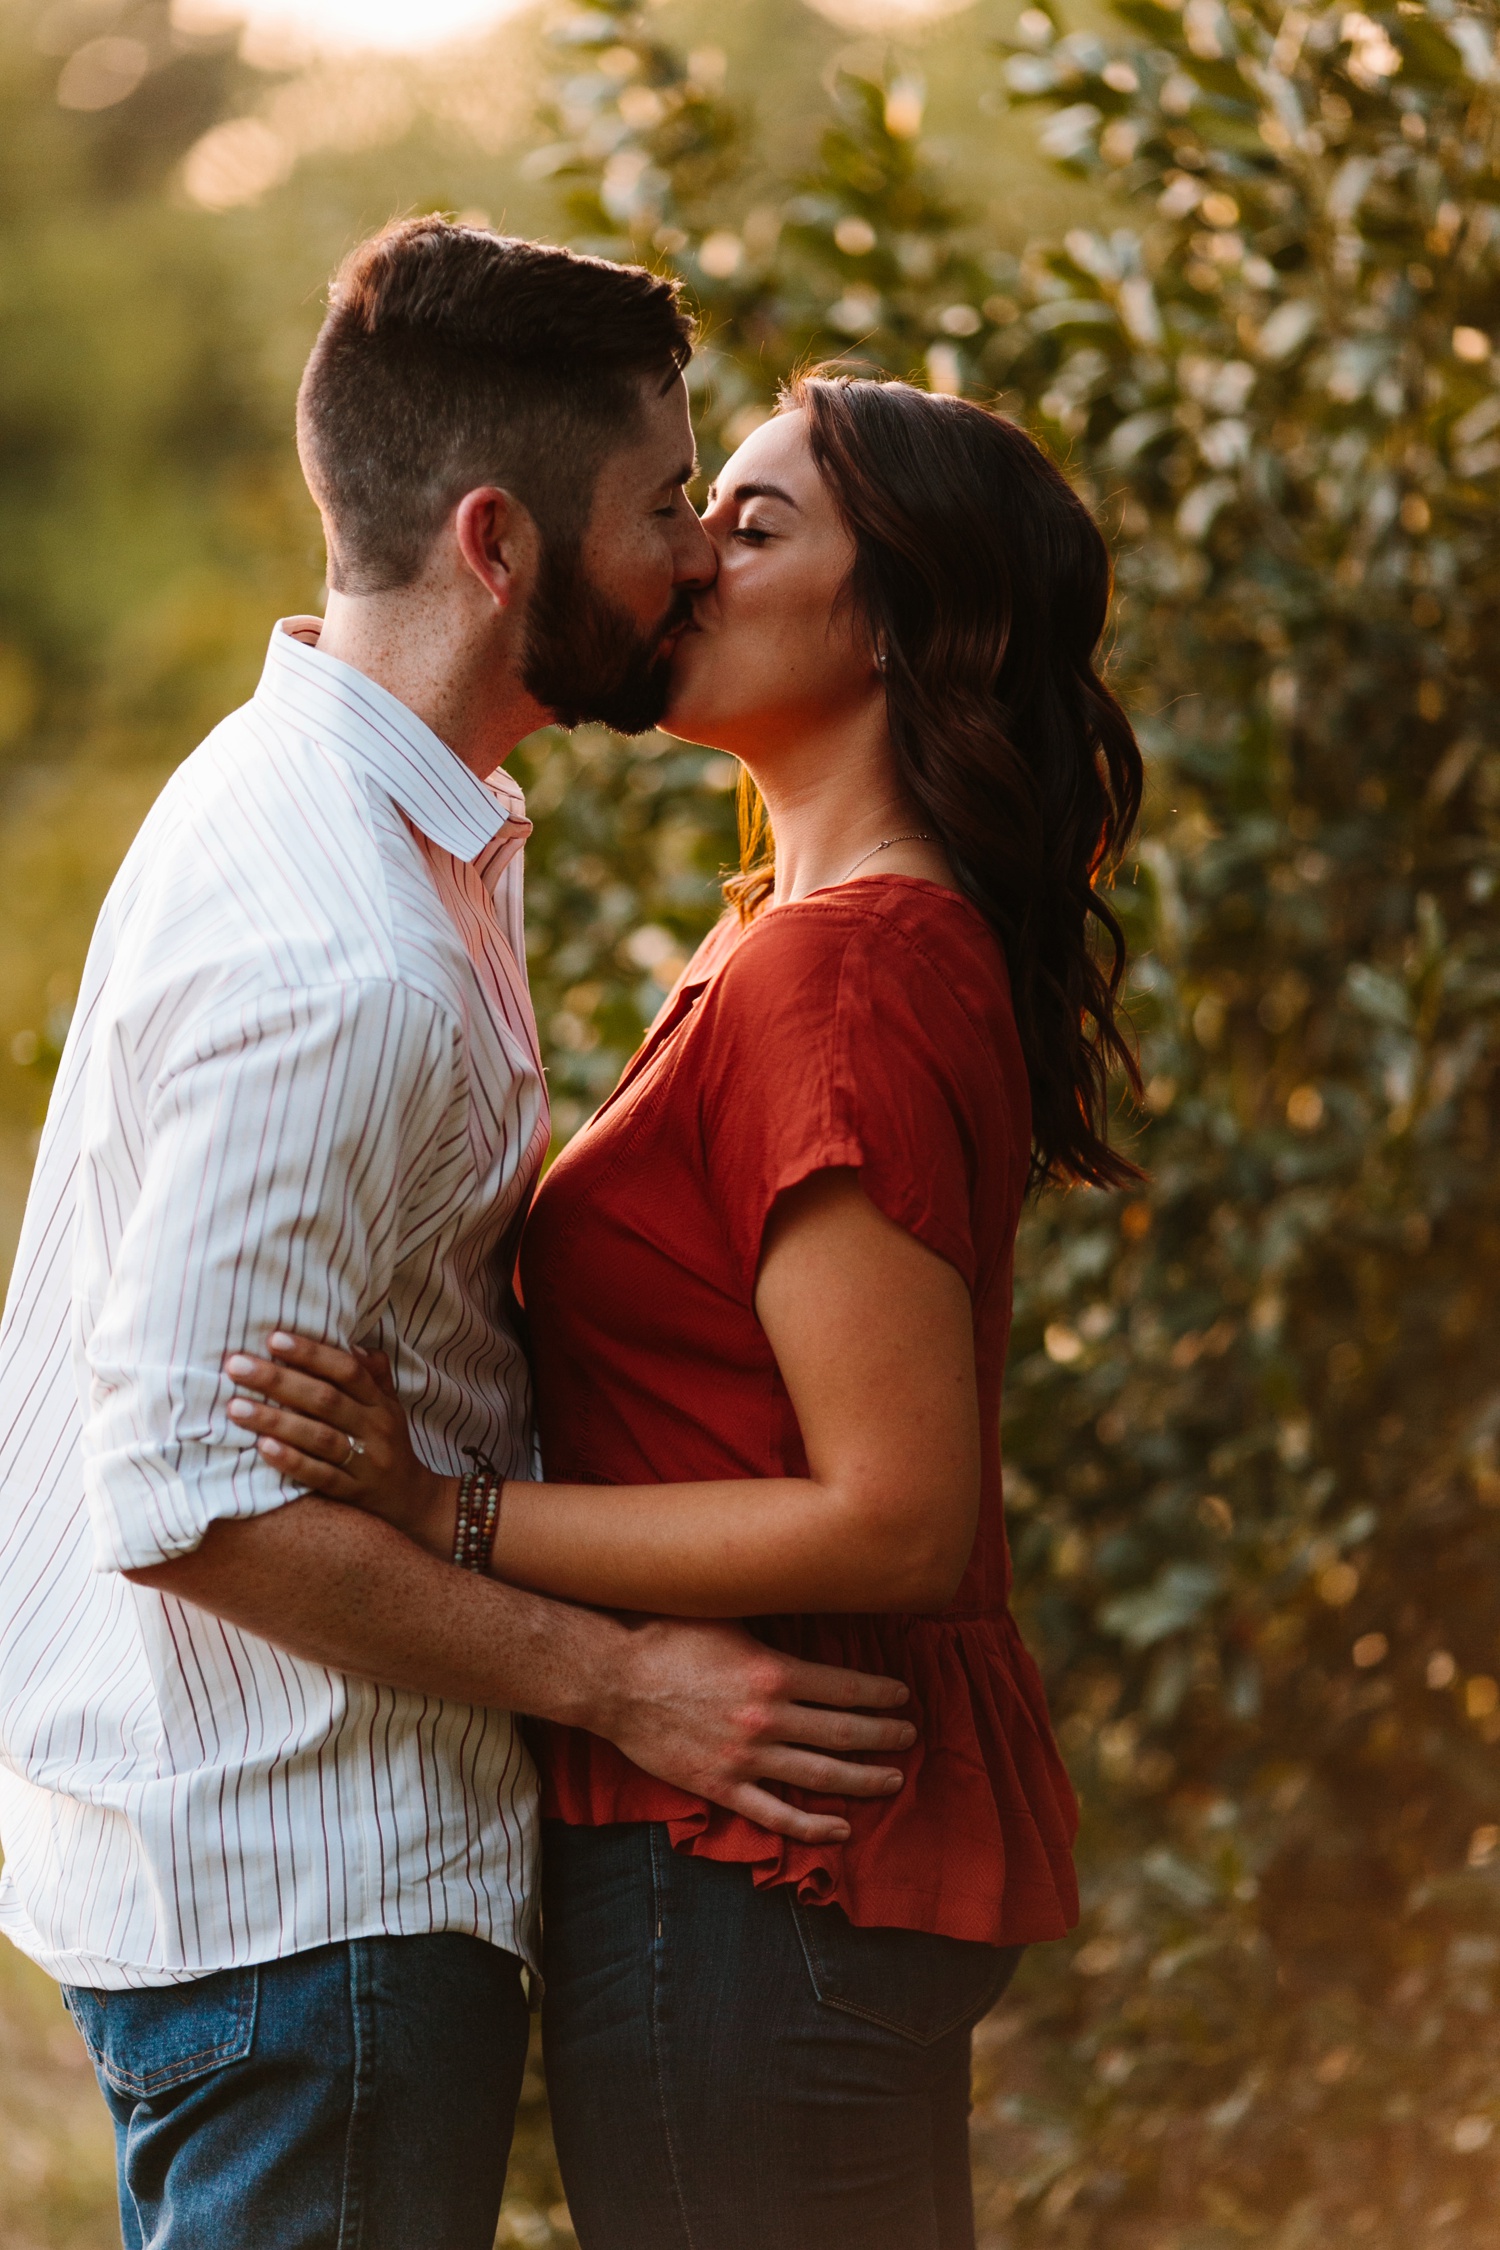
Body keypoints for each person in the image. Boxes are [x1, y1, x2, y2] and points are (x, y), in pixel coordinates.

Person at [0, 226, 917, 2250]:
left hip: (281, 1893)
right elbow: (188, 1498)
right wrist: (629, 1687)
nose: (692, 557)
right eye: (666, 507)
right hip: (305, 1904)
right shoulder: (341, 948)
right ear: (501, 545)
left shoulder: (337, 807)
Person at [229, 370, 1146, 2249]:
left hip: (757, 1852)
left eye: (755, 524)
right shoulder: (798, 937)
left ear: (899, 624)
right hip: (765, 1842)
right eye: (697, 510)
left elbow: (895, 1511)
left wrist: (445, 1516)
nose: (687, 560)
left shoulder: (844, 972)